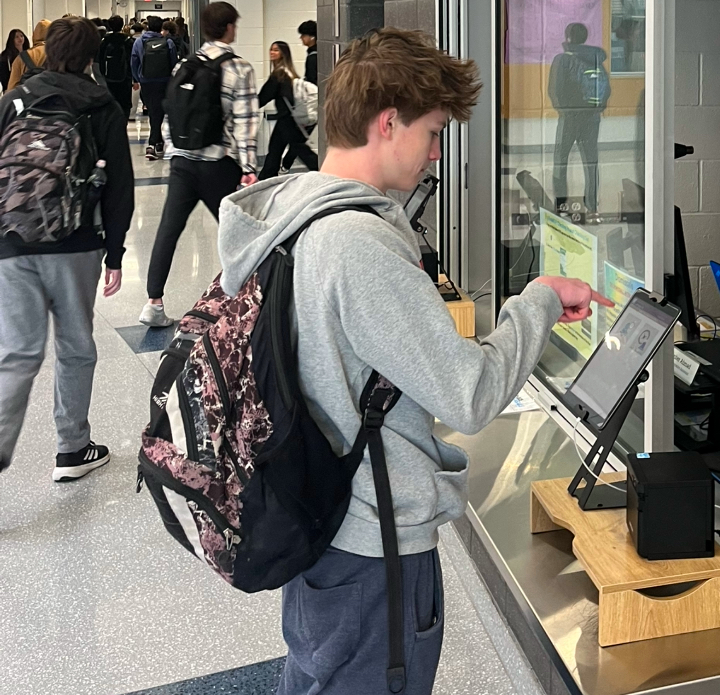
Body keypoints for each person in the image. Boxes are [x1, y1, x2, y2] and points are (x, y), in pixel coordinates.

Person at [215, 28, 611, 694]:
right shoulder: (356, 245)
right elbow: (469, 392)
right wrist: (536, 302)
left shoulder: (292, 216)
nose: (435, 153)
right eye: (431, 133)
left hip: (320, 521)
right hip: (372, 546)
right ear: (387, 121)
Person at [0, 17, 134, 480]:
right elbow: (119, 188)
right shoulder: (102, 104)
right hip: (74, 244)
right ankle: (72, 450)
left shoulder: (12, 101)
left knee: (16, 354)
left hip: (10, 242)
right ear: (91, 56)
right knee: (76, 345)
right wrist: (114, 253)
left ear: (45, 50)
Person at [138, 1, 258, 327]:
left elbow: (169, 112)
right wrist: (249, 168)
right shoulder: (239, 69)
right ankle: (249, 301)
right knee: (241, 234)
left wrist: (174, 151)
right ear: (230, 27)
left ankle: (153, 302)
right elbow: (245, 123)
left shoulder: (184, 65)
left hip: (182, 162)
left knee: (168, 229)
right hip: (217, 163)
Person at [548, 22, 610, 216]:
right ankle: (592, 206)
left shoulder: (562, 60)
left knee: (560, 160)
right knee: (591, 162)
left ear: (568, 37)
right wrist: (595, 109)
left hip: (570, 118)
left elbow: (555, 90)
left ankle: (561, 206)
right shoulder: (596, 59)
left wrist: (565, 111)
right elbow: (606, 90)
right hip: (591, 118)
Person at [258, 40, 318, 179]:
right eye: (271, 49)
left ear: (283, 54)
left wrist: (246, 106)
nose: (272, 52)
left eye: (276, 50)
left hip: (287, 120)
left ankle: (324, 172)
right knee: (275, 150)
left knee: (302, 151)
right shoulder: (288, 73)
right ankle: (265, 178)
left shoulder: (279, 75)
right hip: (287, 118)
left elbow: (264, 97)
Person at [130, 15, 177, 160]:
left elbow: (134, 62)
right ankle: (155, 142)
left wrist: (138, 78)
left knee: (153, 111)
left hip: (147, 81)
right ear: (161, 28)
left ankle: (154, 143)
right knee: (158, 112)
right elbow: (174, 63)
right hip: (164, 81)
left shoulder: (139, 42)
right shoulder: (168, 42)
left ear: (147, 27)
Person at [98, 16, 133, 121]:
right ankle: (124, 122)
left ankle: (113, 122)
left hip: (109, 77)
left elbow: (100, 60)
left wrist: (103, 74)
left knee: (112, 101)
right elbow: (131, 59)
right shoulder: (127, 40)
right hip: (125, 77)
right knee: (125, 102)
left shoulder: (105, 41)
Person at [7, 20, 50, 91]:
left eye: (21, 36)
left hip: (29, 100)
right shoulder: (60, 54)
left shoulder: (20, 58)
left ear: (34, 35)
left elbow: (11, 90)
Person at [298, 19, 317, 85]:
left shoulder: (313, 57)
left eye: (303, 35)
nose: (301, 38)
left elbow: (311, 79)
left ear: (312, 37)